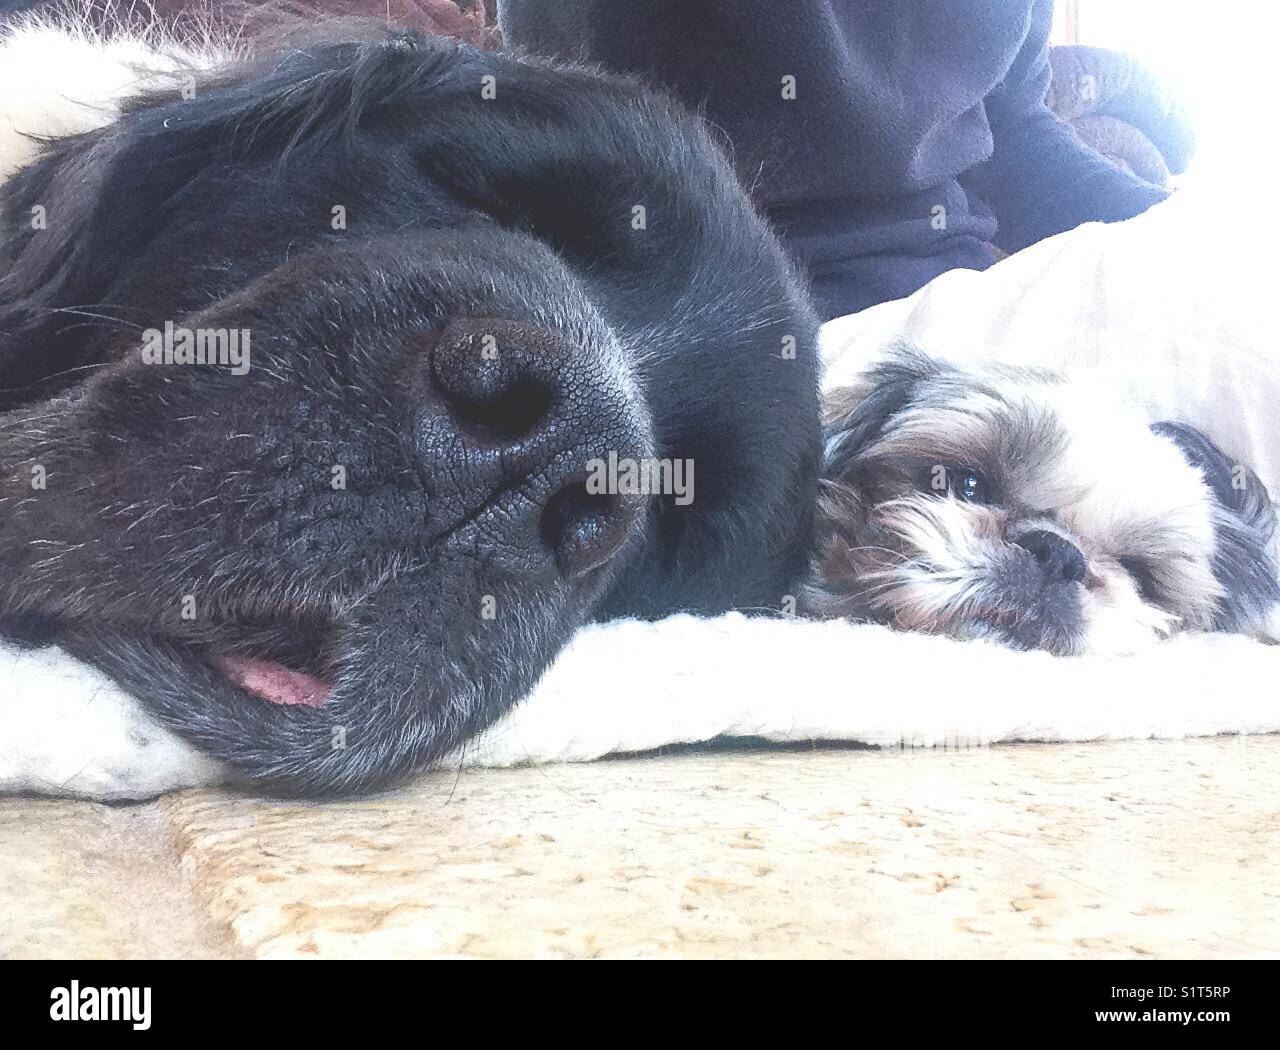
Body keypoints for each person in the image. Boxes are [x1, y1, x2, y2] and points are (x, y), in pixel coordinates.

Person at [497, 0, 1171, 319]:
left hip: (962, 306)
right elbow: (577, 145)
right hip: (700, 325)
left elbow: (1017, 138)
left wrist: (1190, 241)